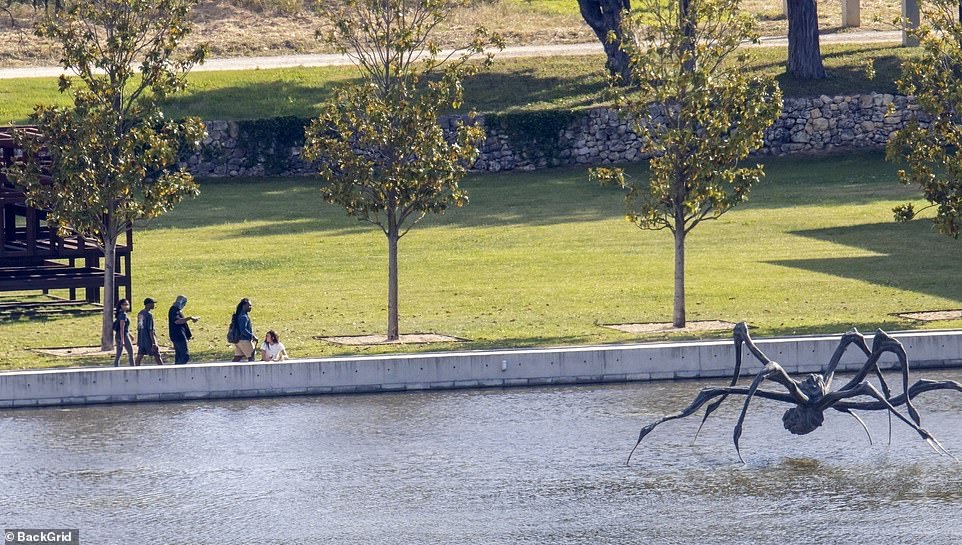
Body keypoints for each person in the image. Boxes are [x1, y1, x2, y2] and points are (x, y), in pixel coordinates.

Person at [168, 295, 199, 365]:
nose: (184, 305)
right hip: (178, 336)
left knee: (179, 355)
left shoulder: (177, 310)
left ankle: (176, 370)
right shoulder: (174, 310)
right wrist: (190, 318)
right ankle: (178, 369)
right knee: (185, 356)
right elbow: (177, 321)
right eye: (184, 303)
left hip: (178, 336)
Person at [135, 297, 164, 366]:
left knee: (140, 355)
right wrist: (154, 342)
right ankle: (162, 369)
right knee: (157, 355)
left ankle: (136, 367)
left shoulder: (140, 314)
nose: (153, 305)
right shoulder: (149, 315)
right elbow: (150, 329)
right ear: (148, 304)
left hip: (141, 339)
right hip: (148, 339)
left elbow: (140, 327)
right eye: (152, 303)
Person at [231, 298, 257, 362]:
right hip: (244, 341)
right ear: (244, 306)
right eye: (249, 305)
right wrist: (252, 336)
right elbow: (243, 330)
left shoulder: (239, 315)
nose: (250, 307)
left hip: (238, 341)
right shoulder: (243, 317)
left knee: (237, 358)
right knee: (252, 357)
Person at [112, 298, 134, 367]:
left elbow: (124, 327)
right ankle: (132, 367)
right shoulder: (123, 315)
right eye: (124, 304)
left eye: (127, 304)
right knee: (131, 352)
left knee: (119, 353)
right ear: (121, 306)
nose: (126, 306)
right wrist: (123, 340)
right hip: (123, 335)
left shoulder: (121, 314)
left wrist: (130, 335)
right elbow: (122, 328)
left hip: (121, 334)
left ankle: (116, 366)